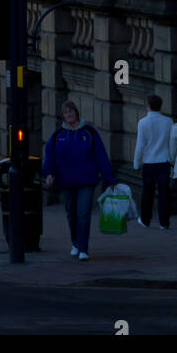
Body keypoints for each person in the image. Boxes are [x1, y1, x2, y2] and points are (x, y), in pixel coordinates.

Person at [42, 99, 114, 261]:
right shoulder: (58, 135)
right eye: (66, 113)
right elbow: (50, 157)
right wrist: (48, 173)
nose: (69, 115)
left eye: (71, 111)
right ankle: (75, 242)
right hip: (66, 181)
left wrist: (110, 178)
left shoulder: (89, 132)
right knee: (71, 214)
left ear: (76, 113)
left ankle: (83, 247)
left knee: (83, 214)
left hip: (86, 181)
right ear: (63, 116)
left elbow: (100, 156)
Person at [134, 94, 174, 229]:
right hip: (164, 161)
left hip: (149, 162)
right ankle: (164, 222)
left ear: (148, 106)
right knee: (164, 193)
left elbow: (140, 145)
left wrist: (136, 162)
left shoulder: (142, 122)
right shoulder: (168, 122)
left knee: (147, 193)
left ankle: (145, 220)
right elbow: (171, 142)